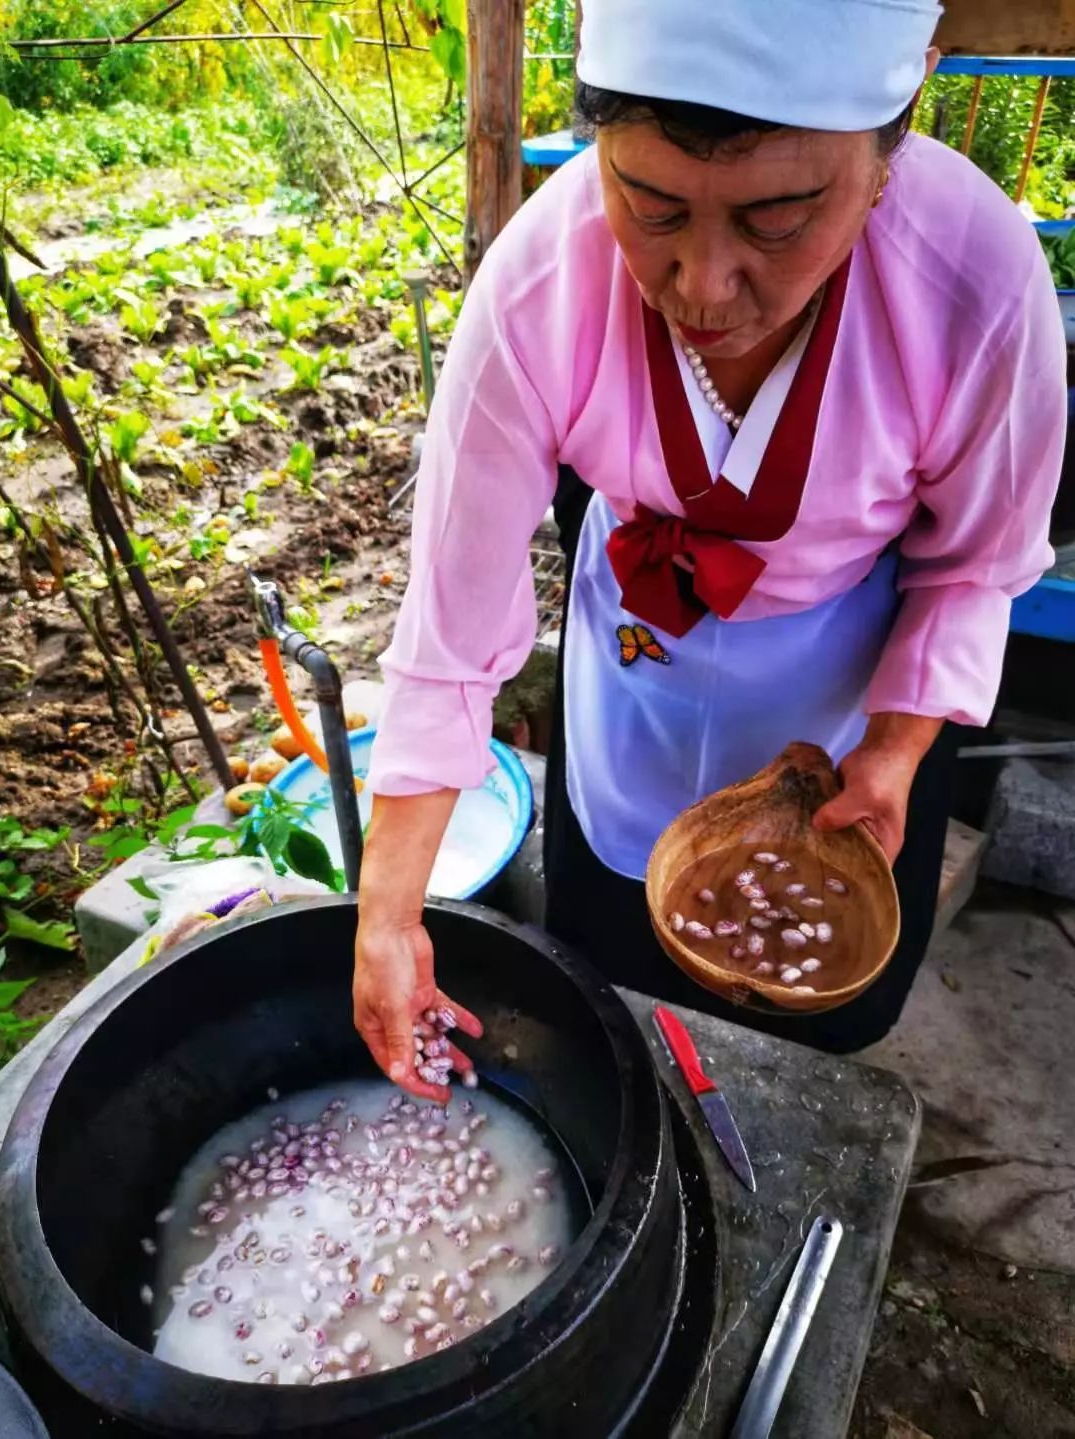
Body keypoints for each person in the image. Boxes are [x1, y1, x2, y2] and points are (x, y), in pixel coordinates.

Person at [353, 0, 1066, 1094]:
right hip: (638, 661)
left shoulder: (973, 277)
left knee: (819, 1016)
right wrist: (390, 913)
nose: (702, 285)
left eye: (778, 218)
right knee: (614, 968)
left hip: (849, 677)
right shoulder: (540, 287)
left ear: (891, 142)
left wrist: (895, 750)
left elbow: (974, 562)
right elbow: (452, 621)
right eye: (650, 204)